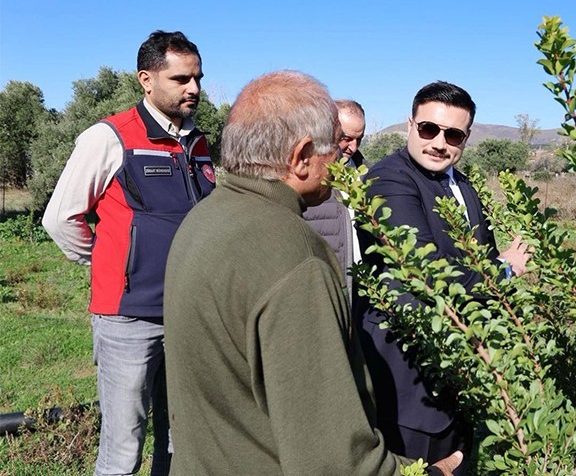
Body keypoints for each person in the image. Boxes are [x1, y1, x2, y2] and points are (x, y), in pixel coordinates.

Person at [163, 71, 461, 475]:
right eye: (334, 147)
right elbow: (335, 461)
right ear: (302, 155)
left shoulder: (204, 218)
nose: (341, 159)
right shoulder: (294, 256)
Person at [42, 30, 210, 476]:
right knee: (122, 451)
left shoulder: (198, 143)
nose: (194, 88)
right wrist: (109, 263)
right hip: (128, 320)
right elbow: (60, 219)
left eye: (197, 77)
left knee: (181, 441)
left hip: (188, 314)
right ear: (146, 80)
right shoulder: (110, 137)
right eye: (181, 79)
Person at [357, 81, 531, 472]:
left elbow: (480, 255)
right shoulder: (388, 180)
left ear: (466, 138)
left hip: (458, 364)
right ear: (410, 125)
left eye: (453, 135)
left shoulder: (462, 184)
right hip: (409, 374)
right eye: (428, 129)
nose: (439, 143)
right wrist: (505, 270)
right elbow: (426, 269)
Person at [303, 100, 366, 298]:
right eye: (346, 138)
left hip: (363, 291)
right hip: (323, 290)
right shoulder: (307, 181)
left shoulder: (367, 177)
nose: (352, 147)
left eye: (359, 139)